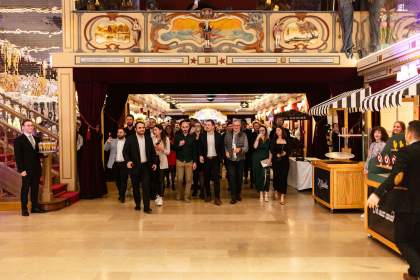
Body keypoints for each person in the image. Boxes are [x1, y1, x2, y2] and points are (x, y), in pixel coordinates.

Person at [367, 120, 420, 280]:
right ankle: (413, 273)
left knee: (402, 240)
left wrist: (377, 194)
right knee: (417, 241)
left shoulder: (406, 152)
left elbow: (395, 178)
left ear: (409, 134)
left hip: (409, 205)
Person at [123, 121, 158, 214]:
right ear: (135, 129)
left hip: (146, 166)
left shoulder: (148, 139)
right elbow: (125, 152)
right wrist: (128, 161)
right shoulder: (130, 139)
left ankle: (147, 207)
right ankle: (138, 204)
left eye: (143, 127)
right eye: (139, 128)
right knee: (135, 187)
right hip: (135, 166)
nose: (142, 129)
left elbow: (153, 152)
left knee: (146, 187)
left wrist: (154, 162)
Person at [14, 119, 45, 216]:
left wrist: (45, 153)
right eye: (28, 125)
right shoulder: (19, 140)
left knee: (35, 188)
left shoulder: (37, 139)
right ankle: (24, 209)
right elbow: (18, 156)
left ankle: (34, 207)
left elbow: (38, 154)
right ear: (23, 127)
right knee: (25, 189)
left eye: (31, 125)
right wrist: (21, 170)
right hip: (26, 169)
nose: (30, 127)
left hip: (36, 168)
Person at [199, 119, 224, 205]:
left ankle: (217, 197)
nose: (207, 126)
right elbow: (200, 148)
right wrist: (200, 155)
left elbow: (221, 148)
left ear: (213, 126)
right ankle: (208, 195)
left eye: (209, 125)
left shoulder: (218, 136)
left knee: (216, 179)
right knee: (206, 178)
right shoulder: (202, 136)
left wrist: (221, 159)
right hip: (206, 160)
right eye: (206, 125)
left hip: (215, 160)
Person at [224, 119, 249, 204]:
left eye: (238, 125)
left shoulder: (244, 135)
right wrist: (226, 151)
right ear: (232, 126)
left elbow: (246, 148)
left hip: (240, 159)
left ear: (240, 126)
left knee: (239, 178)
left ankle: (238, 193)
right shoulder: (228, 134)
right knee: (231, 177)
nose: (236, 127)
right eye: (235, 125)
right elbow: (224, 145)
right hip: (230, 160)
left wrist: (240, 149)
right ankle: (233, 196)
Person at [174, 120, 197, 202]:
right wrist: (179, 145)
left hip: (189, 160)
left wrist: (195, 162)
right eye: (183, 127)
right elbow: (174, 148)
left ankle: (186, 196)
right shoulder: (177, 135)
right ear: (180, 127)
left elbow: (195, 150)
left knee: (189, 179)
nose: (185, 129)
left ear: (189, 127)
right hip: (179, 160)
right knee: (179, 179)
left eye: (186, 127)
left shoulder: (192, 136)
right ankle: (179, 194)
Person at [104, 127, 128, 203]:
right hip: (114, 163)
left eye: (121, 132)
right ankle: (121, 193)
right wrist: (107, 142)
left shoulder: (128, 141)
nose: (119, 134)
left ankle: (122, 196)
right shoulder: (112, 140)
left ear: (124, 133)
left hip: (124, 163)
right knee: (117, 180)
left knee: (124, 180)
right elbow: (105, 149)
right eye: (118, 132)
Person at [270, 127, 290, 205]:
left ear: (282, 131)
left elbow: (289, 150)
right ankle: (275, 190)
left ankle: (282, 196)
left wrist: (286, 153)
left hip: (285, 161)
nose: (277, 131)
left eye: (279, 130)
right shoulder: (273, 140)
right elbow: (272, 150)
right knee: (277, 176)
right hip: (276, 161)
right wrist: (276, 154)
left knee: (284, 177)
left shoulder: (287, 140)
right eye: (276, 130)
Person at [152, 124, 170, 206]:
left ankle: (160, 197)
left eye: (156, 129)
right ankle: (156, 195)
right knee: (154, 179)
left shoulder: (165, 139)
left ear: (160, 130)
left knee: (161, 180)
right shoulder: (151, 139)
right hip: (154, 161)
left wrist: (161, 149)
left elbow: (168, 152)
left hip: (162, 161)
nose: (154, 131)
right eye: (154, 130)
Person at [252, 125, 271, 202]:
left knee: (266, 176)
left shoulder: (269, 139)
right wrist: (257, 138)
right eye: (260, 130)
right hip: (256, 159)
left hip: (265, 159)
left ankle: (266, 194)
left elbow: (270, 151)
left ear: (266, 131)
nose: (262, 132)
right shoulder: (257, 139)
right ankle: (260, 193)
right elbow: (255, 147)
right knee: (258, 176)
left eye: (263, 130)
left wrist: (270, 159)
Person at [192, 122, 205, 198]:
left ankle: (202, 191)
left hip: (202, 158)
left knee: (202, 174)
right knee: (195, 175)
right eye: (195, 125)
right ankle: (195, 190)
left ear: (201, 127)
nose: (197, 127)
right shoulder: (191, 136)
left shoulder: (204, 135)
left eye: (198, 125)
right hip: (194, 158)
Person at [165, 124, 177, 191]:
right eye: (167, 128)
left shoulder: (174, 137)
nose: (168, 130)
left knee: (173, 169)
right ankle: (168, 182)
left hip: (172, 154)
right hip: (166, 154)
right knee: (167, 169)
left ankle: (173, 183)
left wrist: (171, 142)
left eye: (170, 128)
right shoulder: (163, 136)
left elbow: (176, 147)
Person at [242, 120, 253, 186]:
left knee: (247, 165)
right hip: (240, 151)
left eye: (244, 124)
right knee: (242, 165)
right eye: (242, 124)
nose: (243, 125)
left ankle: (247, 178)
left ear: (246, 124)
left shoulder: (249, 131)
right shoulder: (239, 132)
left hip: (248, 151)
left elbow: (250, 141)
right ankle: (243, 177)